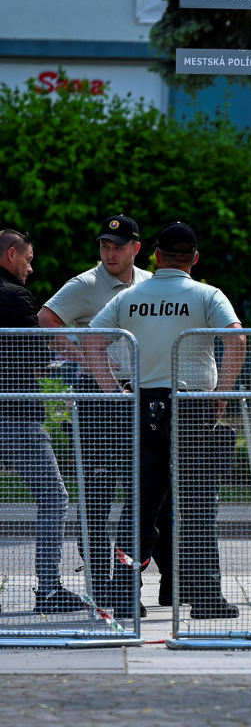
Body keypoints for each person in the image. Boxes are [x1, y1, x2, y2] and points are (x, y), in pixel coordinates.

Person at [87, 222, 244, 619]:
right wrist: (221, 395)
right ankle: (206, 599)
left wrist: (111, 392)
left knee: (139, 507)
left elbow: (91, 339)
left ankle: (124, 596)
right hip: (193, 407)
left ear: (154, 256)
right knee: (197, 507)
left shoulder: (131, 296)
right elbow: (237, 340)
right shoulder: (208, 295)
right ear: (194, 258)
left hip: (143, 406)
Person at [38, 216, 152, 599]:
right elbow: (45, 321)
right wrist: (84, 358)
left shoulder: (150, 283)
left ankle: (126, 580)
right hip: (97, 402)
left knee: (141, 493)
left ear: (135, 248)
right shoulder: (86, 283)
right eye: (104, 245)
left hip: (140, 397)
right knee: (98, 495)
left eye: (117, 246)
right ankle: (99, 582)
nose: (109, 253)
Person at [0, 230, 91, 614]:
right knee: (54, 496)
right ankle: (50, 589)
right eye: (28, 258)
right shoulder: (14, 296)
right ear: (10, 254)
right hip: (15, 414)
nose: (31, 267)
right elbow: (38, 348)